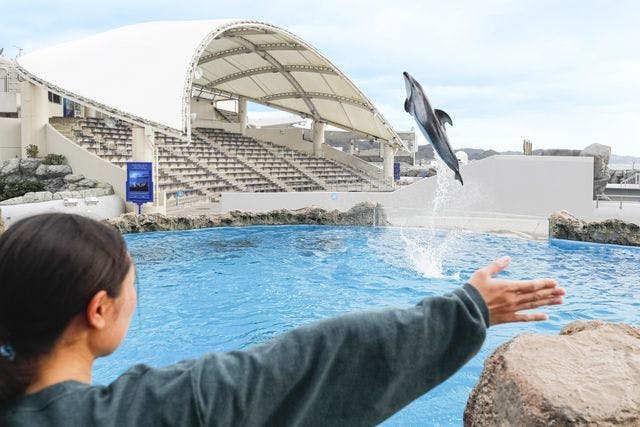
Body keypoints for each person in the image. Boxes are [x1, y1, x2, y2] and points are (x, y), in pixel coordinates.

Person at [0, 213, 565, 426]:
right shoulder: (154, 410)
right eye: (131, 283)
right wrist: (468, 310)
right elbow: (312, 360)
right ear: (99, 310)